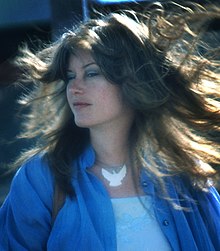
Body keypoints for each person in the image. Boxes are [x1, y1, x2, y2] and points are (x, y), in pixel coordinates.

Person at [0, 2, 220, 250]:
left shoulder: (185, 176)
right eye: (71, 76)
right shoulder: (41, 178)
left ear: (132, 81)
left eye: (91, 73)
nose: (74, 87)